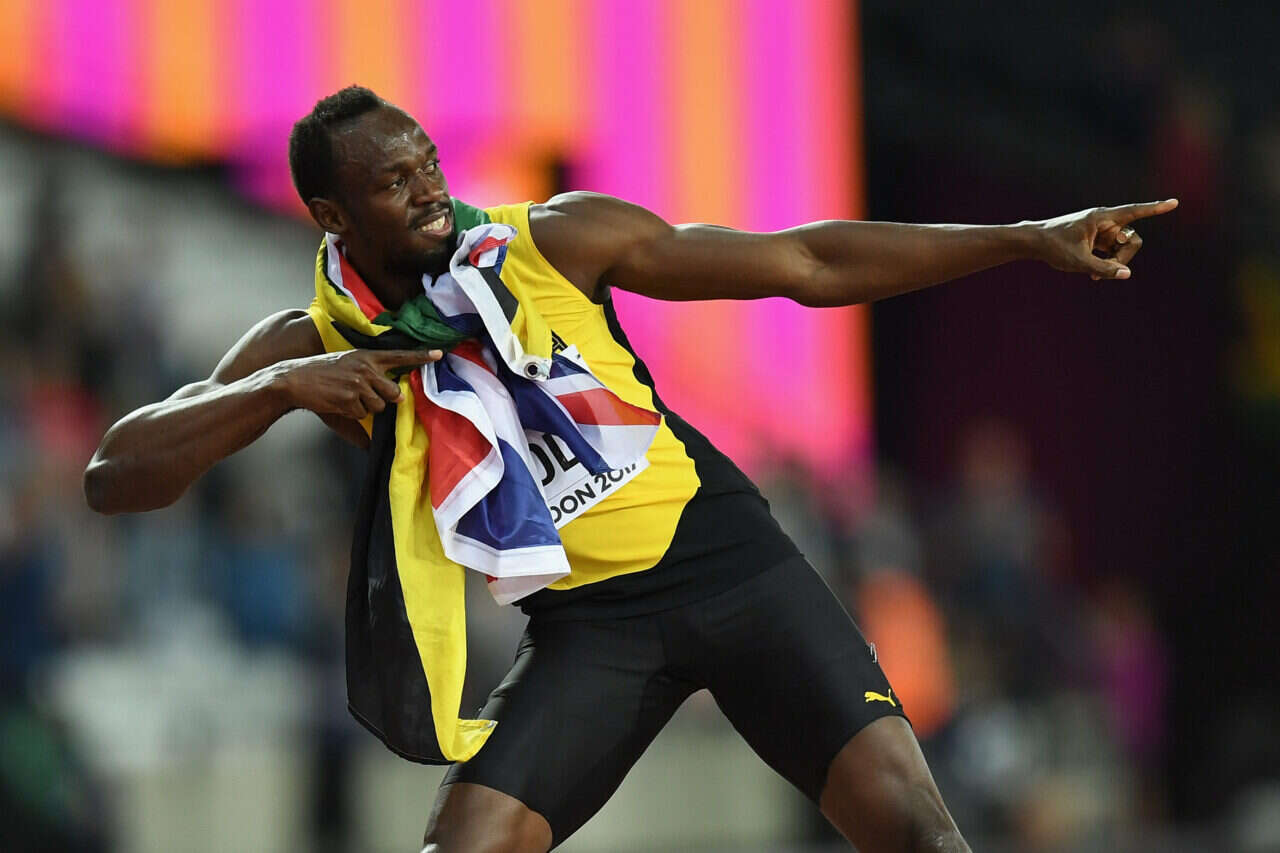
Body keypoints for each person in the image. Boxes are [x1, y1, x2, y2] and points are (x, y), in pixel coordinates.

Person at [83, 86, 1176, 853]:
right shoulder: (311, 345)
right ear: (329, 216)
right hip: (588, 627)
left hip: (728, 565)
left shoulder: (553, 241)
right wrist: (280, 389)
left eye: (429, 165)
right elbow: (115, 472)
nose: (428, 193)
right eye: (392, 183)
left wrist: (1020, 237)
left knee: (920, 838)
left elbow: (803, 261)